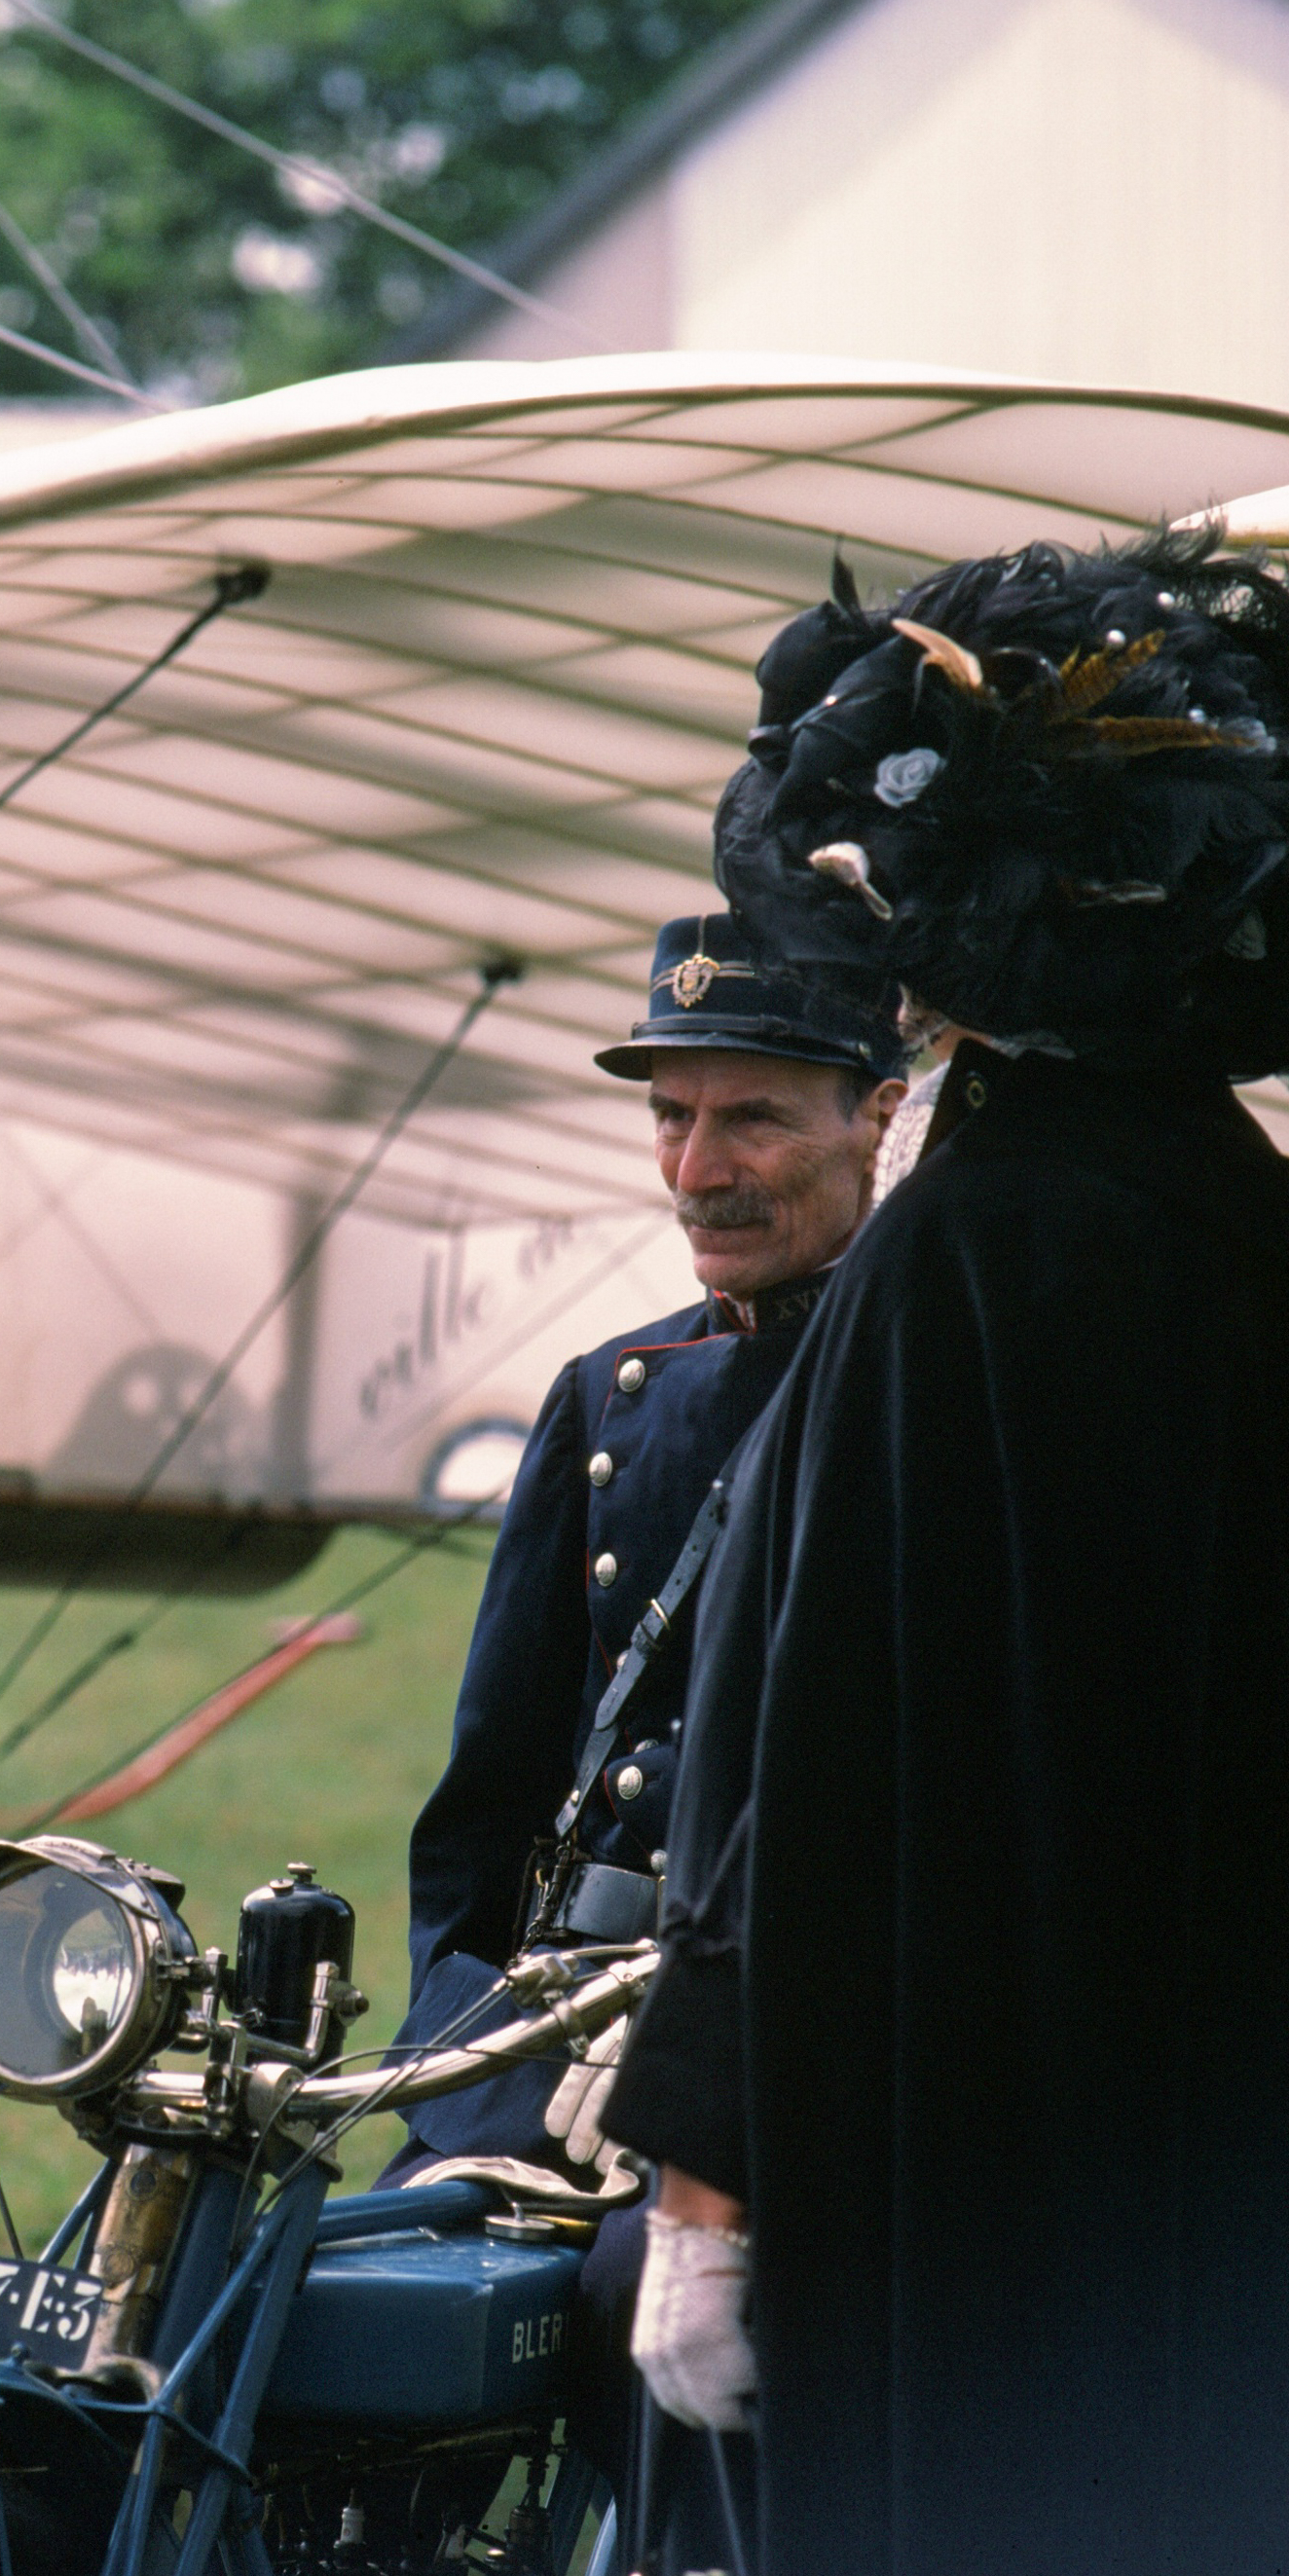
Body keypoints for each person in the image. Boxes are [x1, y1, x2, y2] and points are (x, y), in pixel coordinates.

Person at [598, 530, 1289, 2576]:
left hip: (976, 2169)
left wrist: (705, 2188)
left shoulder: (957, 1268)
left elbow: (794, 1768)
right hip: (1280, 2165)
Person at [387, 912, 902, 2492]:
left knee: (639, 2320)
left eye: (752, 1114)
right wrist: (462, 2090)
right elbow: (484, 1816)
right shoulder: (610, 1391)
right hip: (559, 2031)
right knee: (351, 2287)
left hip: (779, 2062)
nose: (694, 1169)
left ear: (879, 1107)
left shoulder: (930, 1397)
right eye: (669, 1115)